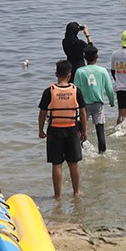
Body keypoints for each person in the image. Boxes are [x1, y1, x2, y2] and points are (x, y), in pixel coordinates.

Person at [37, 60, 87, 199]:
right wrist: (84, 131)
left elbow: (42, 113)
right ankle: (76, 192)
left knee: (56, 164)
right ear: (69, 75)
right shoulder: (76, 91)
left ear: (56, 74)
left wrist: (40, 130)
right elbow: (82, 113)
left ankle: (57, 195)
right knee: (73, 163)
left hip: (54, 130)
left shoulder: (49, 91)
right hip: (72, 129)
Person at [73, 45, 115, 153]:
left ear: (84, 57)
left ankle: (79, 152)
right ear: (97, 57)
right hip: (98, 105)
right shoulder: (102, 71)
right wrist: (111, 101)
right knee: (100, 130)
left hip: (83, 106)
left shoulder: (79, 71)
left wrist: (74, 106)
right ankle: (102, 152)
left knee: (80, 130)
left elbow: (75, 89)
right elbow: (109, 88)